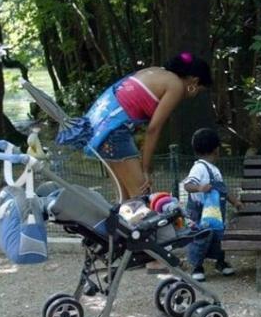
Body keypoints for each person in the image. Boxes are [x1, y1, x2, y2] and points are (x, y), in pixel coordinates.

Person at [59, 52, 213, 199]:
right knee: (141, 198)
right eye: (199, 90)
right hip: (114, 132)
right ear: (194, 80)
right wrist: (146, 169)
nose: (195, 95)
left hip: (99, 129)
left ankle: (121, 225)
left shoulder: (154, 71)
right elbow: (153, 129)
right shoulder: (176, 85)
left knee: (124, 199)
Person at [181, 128, 243, 281]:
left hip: (216, 214)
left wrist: (235, 202)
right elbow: (187, 185)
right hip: (200, 212)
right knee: (200, 238)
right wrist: (200, 188)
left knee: (219, 237)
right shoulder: (199, 168)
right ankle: (197, 266)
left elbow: (223, 190)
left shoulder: (215, 170)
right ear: (216, 149)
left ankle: (220, 262)